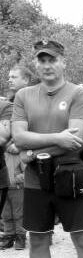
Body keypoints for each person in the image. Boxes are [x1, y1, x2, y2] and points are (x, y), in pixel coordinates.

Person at [12, 39, 83, 258]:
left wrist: (29, 153)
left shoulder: (79, 94)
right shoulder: (24, 95)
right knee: (37, 240)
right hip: (36, 182)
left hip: (70, 177)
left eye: (52, 60)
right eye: (42, 60)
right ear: (36, 64)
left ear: (63, 62)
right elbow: (19, 136)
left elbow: (75, 139)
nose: (47, 65)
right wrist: (54, 138)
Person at [0, 65, 32, 225]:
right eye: (9, 77)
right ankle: (11, 234)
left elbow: (34, 126)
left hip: (29, 154)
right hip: (10, 154)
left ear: (26, 80)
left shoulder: (32, 99)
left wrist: (18, 144)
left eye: (14, 77)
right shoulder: (9, 101)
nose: (9, 80)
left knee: (29, 199)